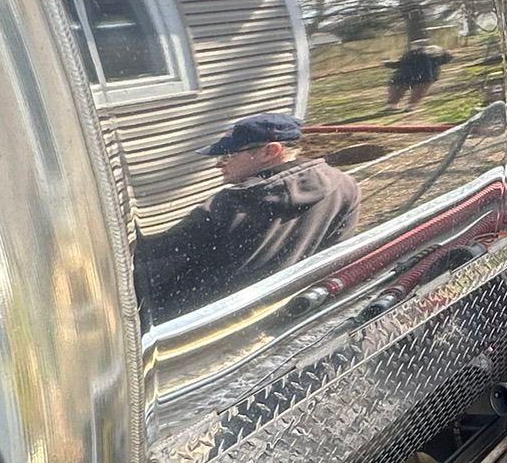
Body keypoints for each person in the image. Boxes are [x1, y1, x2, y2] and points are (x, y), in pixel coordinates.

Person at [138, 112, 360, 319]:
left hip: (213, 323)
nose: (219, 164)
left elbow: (153, 259)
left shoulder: (231, 204)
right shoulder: (345, 186)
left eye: (229, 155)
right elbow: (335, 258)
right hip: (289, 314)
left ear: (269, 152)